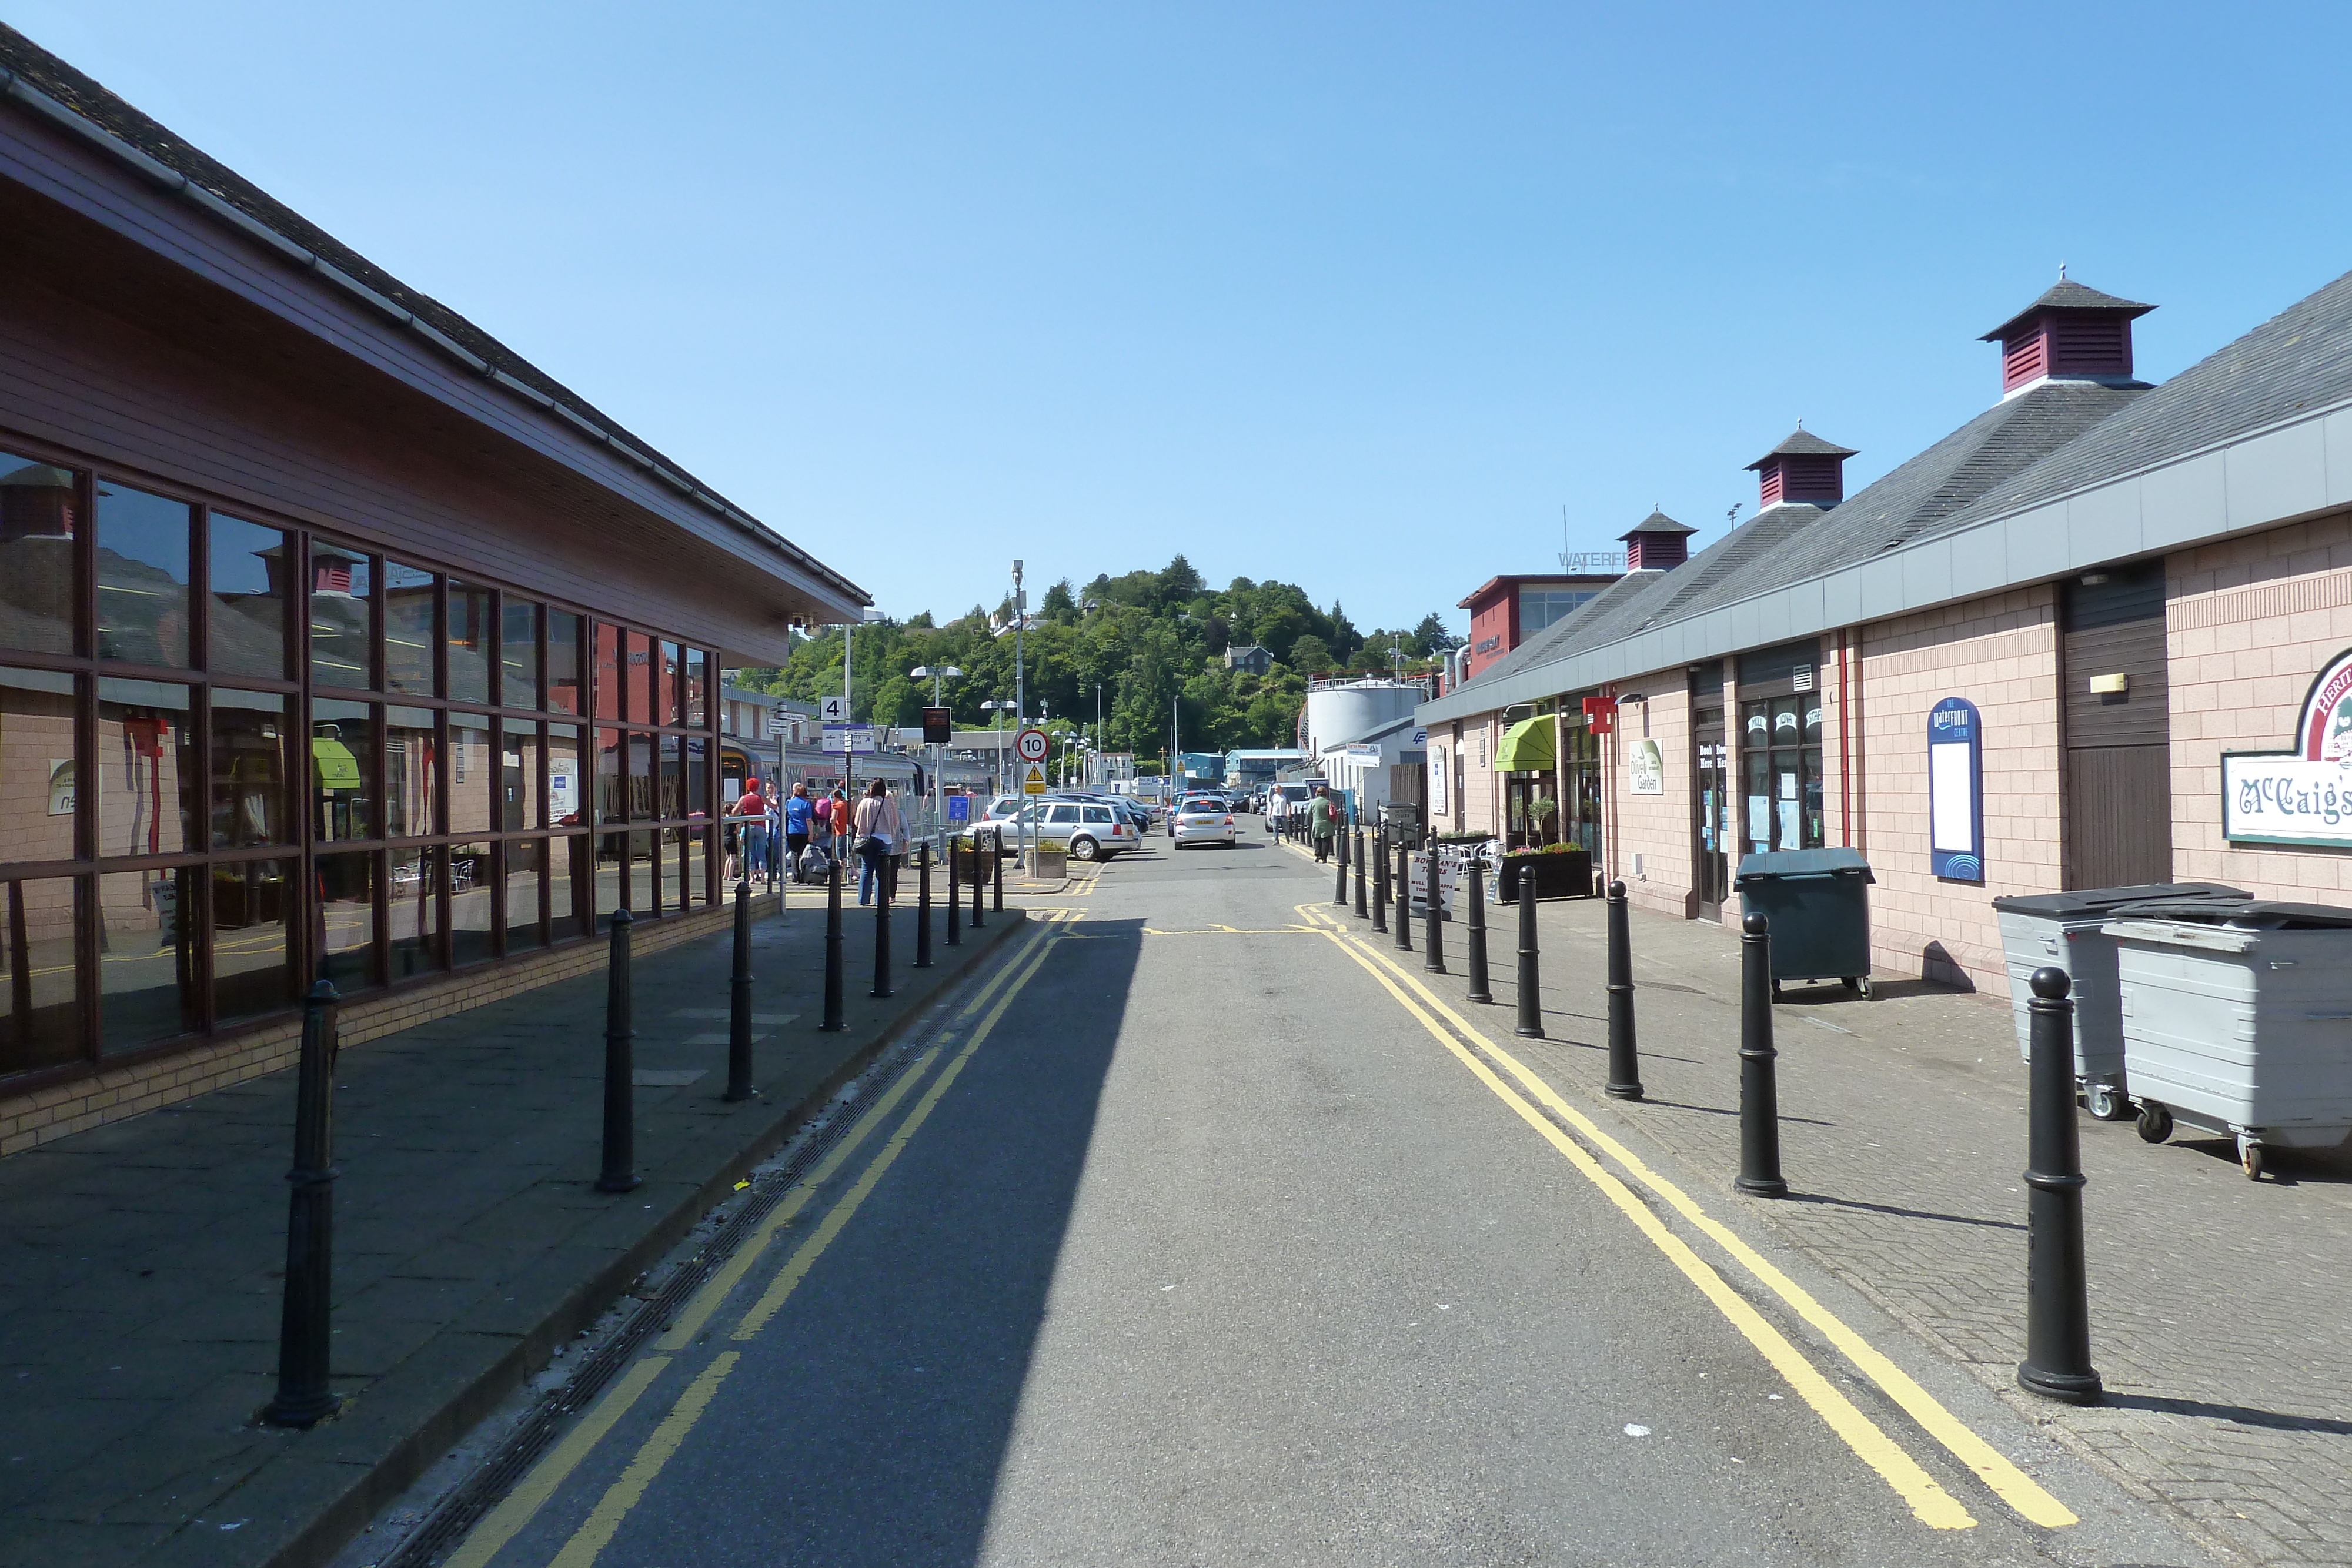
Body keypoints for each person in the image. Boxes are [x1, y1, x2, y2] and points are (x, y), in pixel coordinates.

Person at [853, 778, 902, 906]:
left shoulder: (864, 803)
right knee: (882, 871)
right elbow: (896, 823)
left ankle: (863, 900)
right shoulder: (889, 804)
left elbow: (857, 823)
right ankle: (880, 900)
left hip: (866, 840)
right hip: (885, 840)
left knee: (866, 869)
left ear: (871, 789)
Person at [731, 778, 768, 886]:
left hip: (748, 827)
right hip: (761, 827)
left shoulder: (744, 798)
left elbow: (734, 812)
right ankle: (762, 878)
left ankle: (752, 878)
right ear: (757, 787)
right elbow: (774, 806)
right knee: (761, 853)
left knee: (750, 852)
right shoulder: (761, 798)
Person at [784, 782, 816, 872]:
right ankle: (803, 874)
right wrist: (811, 834)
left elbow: (786, 814)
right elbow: (809, 820)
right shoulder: (806, 804)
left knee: (794, 854)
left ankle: (795, 876)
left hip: (791, 831)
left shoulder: (789, 803)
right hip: (804, 831)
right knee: (803, 854)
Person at [1310, 784, 1338, 862]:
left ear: (1317, 793)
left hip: (1317, 824)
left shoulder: (1313, 802)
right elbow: (1334, 813)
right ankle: (1324, 858)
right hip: (1327, 824)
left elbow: (1308, 812)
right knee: (1326, 841)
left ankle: (1318, 854)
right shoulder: (1328, 802)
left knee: (1317, 840)